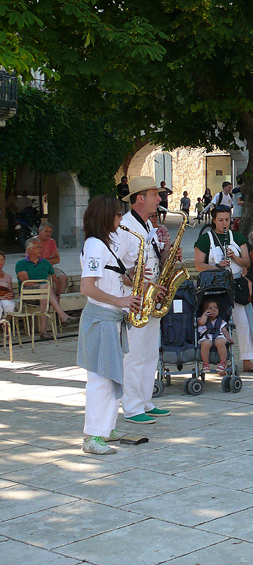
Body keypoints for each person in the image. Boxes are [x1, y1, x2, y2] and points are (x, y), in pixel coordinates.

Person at [78, 195, 143, 455]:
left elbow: (111, 277)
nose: (120, 219)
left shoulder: (105, 244)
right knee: (100, 379)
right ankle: (92, 436)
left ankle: (106, 429)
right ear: (106, 216)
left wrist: (137, 281)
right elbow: (87, 287)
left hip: (111, 318)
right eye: (117, 214)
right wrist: (122, 300)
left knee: (109, 377)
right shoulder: (95, 245)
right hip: (101, 318)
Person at [117, 176, 171, 425]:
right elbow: (118, 271)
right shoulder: (125, 228)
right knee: (135, 355)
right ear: (140, 198)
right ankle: (131, 406)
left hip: (151, 298)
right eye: (155, 194)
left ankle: (145, 401)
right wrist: (145, 285)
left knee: (150, 354)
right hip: (135, 300)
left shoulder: (148, 226)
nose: (159, 199)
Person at [193, 205, 253, 374]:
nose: (225, 223)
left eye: (227, 220)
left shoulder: (237, 237)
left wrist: (234, 258)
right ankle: (219, 361)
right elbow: (198, 265)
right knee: (214, 325)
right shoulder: (205, 239)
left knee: (243, 323)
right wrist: (216, 266)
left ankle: (247, 360)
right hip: (214, 288)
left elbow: (246, 262)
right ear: (214, 220)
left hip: (235, 284)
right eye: (221, 220)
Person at [16, 237, 70, 340]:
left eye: (41, 247)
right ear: (29, 250)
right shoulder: (21, 264)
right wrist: (43, 283)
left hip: (43, 292)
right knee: (46, 286)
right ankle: (62, 315)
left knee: (45, 295)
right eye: (38, 247)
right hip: (27, 293)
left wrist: (57, 294)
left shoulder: (45, 263)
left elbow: (55, 279)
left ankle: (43, 331)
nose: (41, 249)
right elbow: (25, 282)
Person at [197, 298, 232, 374]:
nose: (213, 310)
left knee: (220, 342)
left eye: (216, 308)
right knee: (205, 343)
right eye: (210, 308)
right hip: (207, 337)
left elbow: (224, 331)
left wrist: (228, 337)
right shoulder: (203, 320)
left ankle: (223, 362)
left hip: (219, 336)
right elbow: (201, 323)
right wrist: (205, 314)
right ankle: (205, 364)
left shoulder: (220, 321)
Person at [36, 223, 68, 298]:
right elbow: (34, 261)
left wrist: (43, 261)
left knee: (62, 278)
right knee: (48, 280)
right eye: (46, 231)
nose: (48, 234)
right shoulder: (33, 242)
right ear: (40, 231)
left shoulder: (52, 242)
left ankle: (59, 300)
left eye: (50, 232)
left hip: (49, 268)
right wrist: (50, 260)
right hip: (36, 268)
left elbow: (57, 259)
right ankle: (50, 302)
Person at [0, 251, 17, 318]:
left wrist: (10, 295)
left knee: (10, 305)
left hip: (5, 297)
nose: (1, 262)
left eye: (2, 260)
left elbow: (11, 291)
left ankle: (5, 325)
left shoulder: (8, 276)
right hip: (1, 297)